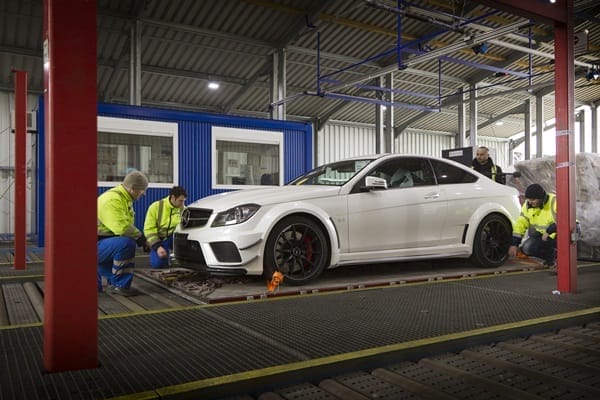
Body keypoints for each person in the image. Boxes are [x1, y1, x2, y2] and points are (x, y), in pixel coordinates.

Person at [97, 171, 149, 296]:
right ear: (132, 189)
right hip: (93, 245)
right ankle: (120, 285)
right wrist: (142, 240)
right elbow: (123, 228)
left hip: (102, 243)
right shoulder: (112, 200)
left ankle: (111, 280)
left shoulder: (124, 199)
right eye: (142, 190)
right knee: (126, 244)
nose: (144, 194)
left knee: (119, 243)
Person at [508, 183, 557, 268]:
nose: (530, 202)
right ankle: (552, 256)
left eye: (533, 199)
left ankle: (561, 257)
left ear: (542, 198)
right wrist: (514, 244)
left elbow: (564, 221)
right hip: (546, 237)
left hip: (561, 234)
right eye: (529, 199)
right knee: (527, 248)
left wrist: (549, 231)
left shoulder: (554, 201)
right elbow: (521, 224)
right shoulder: (528, 206)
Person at [143, 186, 187, 268]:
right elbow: (149, 230)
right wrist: (158, 247)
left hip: (173, 238)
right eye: (180, 201)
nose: (182, 204)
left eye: (184, 201)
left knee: (187, 261)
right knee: (158, 264)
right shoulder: (155, 207)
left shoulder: (183, 209)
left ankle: (177, 257)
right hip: (158, 240)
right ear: (173, 197)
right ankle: (160, 253)